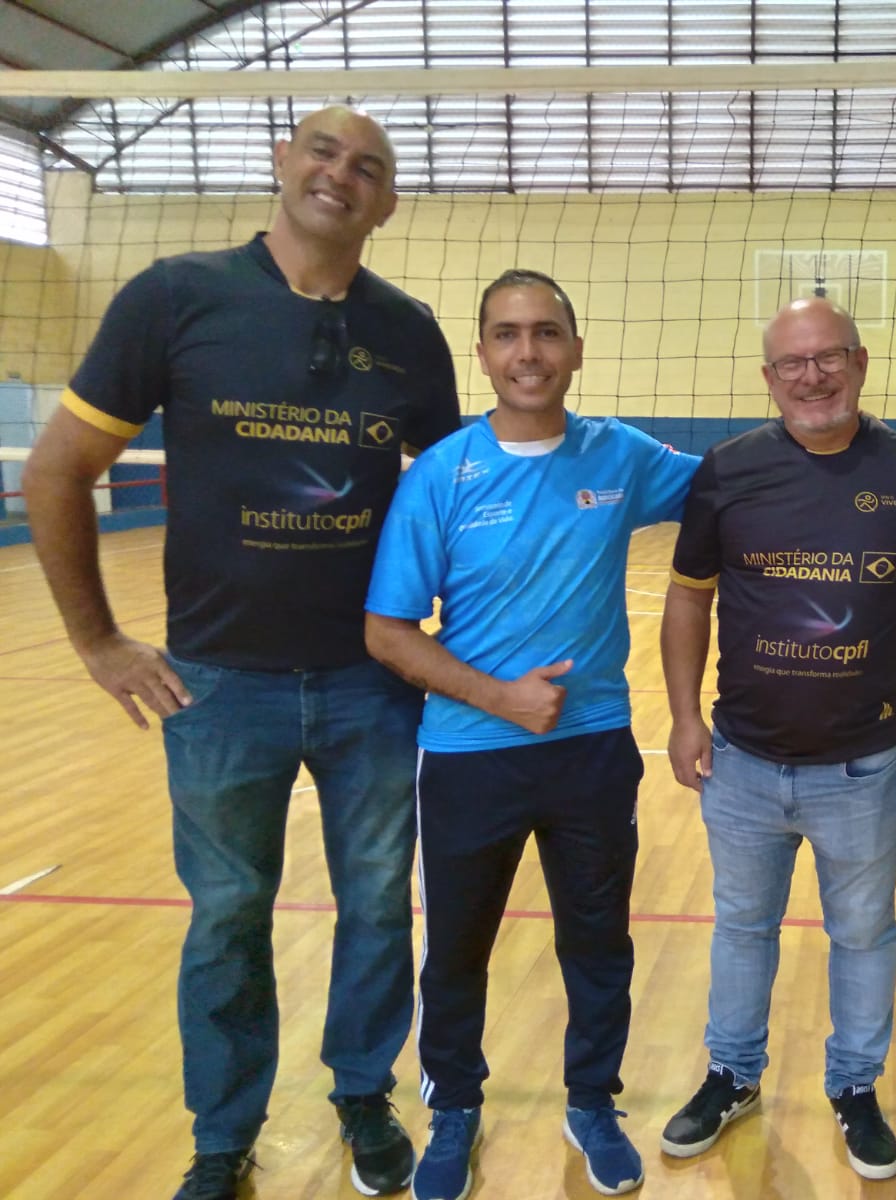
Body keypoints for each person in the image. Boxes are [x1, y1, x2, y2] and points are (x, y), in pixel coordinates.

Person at [22, 107, 462, 1200]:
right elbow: (56, 469)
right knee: (226, 918)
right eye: (322, 150)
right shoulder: (177, 297)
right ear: (280, 162)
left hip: (370, 683)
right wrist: (97, 642)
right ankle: (222, 1138)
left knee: (377, 906)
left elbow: (457, 496)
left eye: (368, 167)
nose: (340, 174)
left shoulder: (408, 332)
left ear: (386, 203)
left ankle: (363, 1092)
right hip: (218, 686)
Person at [363, 270, 700, 1200]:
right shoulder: (441, 475)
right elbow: (387, 631)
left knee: (598, 943)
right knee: (456, 950)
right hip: (469, 757)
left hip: (592, 751)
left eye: (547, 332)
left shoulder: (621, 455)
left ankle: (592, 1102)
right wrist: (500, 699)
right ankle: (454, 1110)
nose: (528, 352)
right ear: (482, 353)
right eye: (508, 334)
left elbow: (733, 487)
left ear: (576, 349)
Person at [657, 296, 896, 1180]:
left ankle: (855, 1086)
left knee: (864, 933)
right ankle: (732, 1075)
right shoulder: (728, 470)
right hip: (742, 761)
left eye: (828, 357)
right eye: (792, 364)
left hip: (861, 767)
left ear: (860, 361)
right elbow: (688, 595)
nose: (812, 377)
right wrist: (686, 717)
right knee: (742, 927)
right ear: (769, 379)